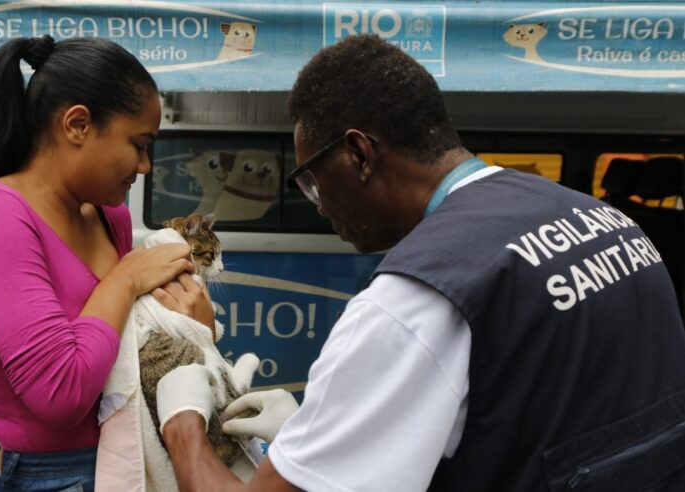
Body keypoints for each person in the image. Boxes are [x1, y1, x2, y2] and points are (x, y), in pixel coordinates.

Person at [154, 34, 685, 491]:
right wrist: (314, 439)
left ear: (360, 154)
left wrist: (182, 421)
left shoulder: (414, 299)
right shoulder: (602, 219)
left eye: (313, 178)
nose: (318, 203)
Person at [0, 35, 212, 492]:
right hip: (54, 475)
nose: (146, 165)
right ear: (77, 124)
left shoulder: (110, 215)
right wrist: (126, 279)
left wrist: (194, 327)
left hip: (132, 453)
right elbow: (61, 393)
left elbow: (123, 352)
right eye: (139, 144)